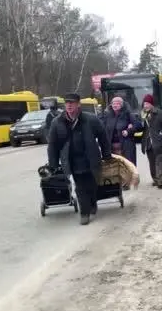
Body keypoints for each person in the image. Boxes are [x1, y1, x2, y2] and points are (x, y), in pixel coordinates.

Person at [47, 93, 112, 225]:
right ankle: (84, 212)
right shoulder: (57, 122)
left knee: (92, 184)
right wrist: (53, 164)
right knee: (80, 187)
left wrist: (106, 154)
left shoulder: (90, 119)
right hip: (72, 161)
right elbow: (52, 145)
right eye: (67, 103)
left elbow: (103, 136)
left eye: (72, 103)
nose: (69, 105)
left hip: (90, 158)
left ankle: (93, 203)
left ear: (78, 104)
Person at [139, 94, 162, 189]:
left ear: (151, 104)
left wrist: (161, 133)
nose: (145, 106)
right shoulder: (143, 115)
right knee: (152, 163)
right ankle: (155, 179)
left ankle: (160, 181)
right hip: (148, 143)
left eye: (147, 103)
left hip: (158, 142)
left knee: (159, 162)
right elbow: (140, 127)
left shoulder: (161, 113)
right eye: (144, 104)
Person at [100, 96, 139, 167]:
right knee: (114, 168)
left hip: (126, 147)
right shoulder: (107, 114)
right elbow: (101, 125)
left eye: (117, 104)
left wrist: (128, 131)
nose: (115, 105)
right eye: (113, 103)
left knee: (127, 167)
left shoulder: (128, 114)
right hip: (111, 148)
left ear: (122, 104)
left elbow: (137, 125)